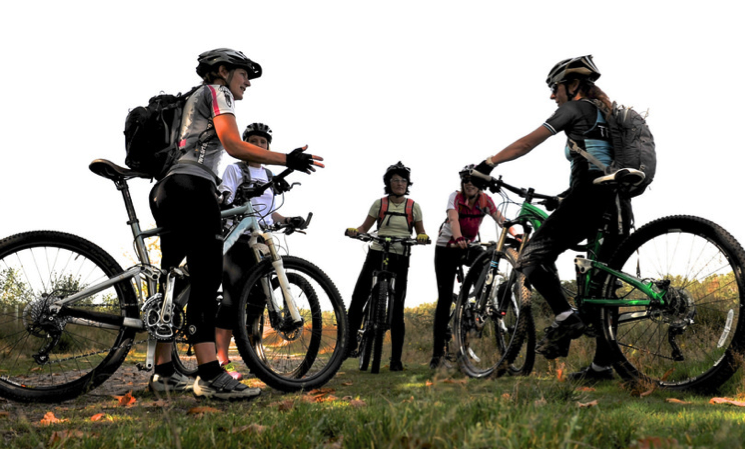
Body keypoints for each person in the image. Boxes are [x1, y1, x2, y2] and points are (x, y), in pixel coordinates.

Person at [148, 48, 323, 399]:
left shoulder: (191, 99)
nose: (248, 83)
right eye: (244, 74)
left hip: (167, 189)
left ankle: (163, 372)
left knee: (173, 284)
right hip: (195, 186)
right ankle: (210, 374)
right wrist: (286, 158)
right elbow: (233, 144)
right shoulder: (218, 92)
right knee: (206, 278)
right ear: (222, 70)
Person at [470, 55, 626, 382]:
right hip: (618, 202)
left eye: (555, 87)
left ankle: (566, 316)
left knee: (530, 256)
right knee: (603, 287)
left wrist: (488, 163)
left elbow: (528, 142)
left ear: (572, 84)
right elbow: (601, 163)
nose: (552, 95)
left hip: (588, 199)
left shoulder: (576, 109)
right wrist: (563, 197)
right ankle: (601, 368)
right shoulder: (607, 115)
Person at [215, 122, 309, 380]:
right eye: (253, 141)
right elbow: (225, 197)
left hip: (261, 243)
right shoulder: (235, 170)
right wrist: (227, 198)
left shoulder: (269, 175)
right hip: (237, 240)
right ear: (244, 144)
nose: (258, 145)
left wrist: (287, 219)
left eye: (262, 142)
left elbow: (268, 213)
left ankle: (253, 356)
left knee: (257, 302)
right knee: (232, 299)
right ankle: (222, 360)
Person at [344, 162, 430, 372]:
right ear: (388, 183)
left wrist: (422, 237)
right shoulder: (380, 204)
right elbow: (365, 227)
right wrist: (355, 231)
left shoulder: (413, 206)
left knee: (398, 307)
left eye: (403, 180)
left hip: (401, 255)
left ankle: (395, 360)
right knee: (358, 298)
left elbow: (421, 231)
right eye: (395, 180)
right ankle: (348, 344)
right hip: (377, 251)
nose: (400, 183)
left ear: (407, 184)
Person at [429, 165, 508, 369]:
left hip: (469, 246)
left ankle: (475, 307)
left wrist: (516, 235)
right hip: (447, 248)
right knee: (444, 299)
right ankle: (437, 356)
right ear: (462, 183)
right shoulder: (455, 197)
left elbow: (500, 219)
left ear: (481, 185)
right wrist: (458, 237)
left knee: (485, 266)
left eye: (474, 182)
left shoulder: (485, 200)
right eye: (466, 181)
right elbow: (453, 219)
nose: (469, 184)